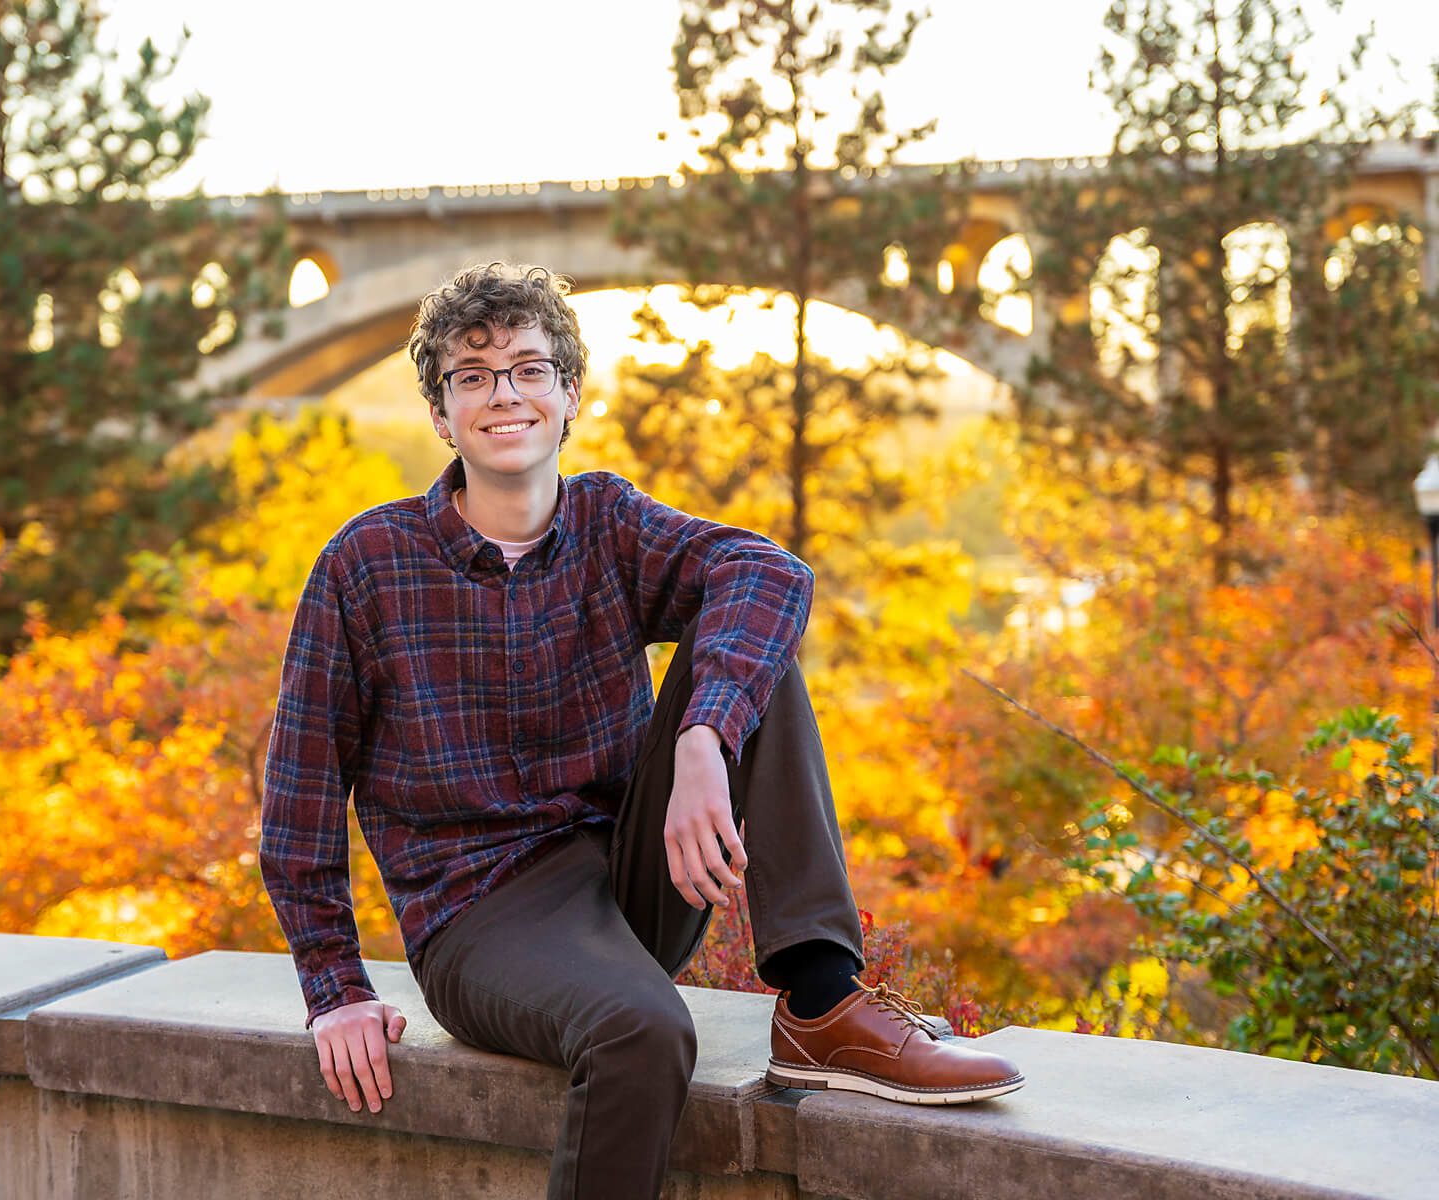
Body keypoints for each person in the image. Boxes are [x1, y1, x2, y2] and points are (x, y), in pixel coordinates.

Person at [260, 262, 1023, 1199]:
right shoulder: (367, 567)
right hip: (482, 916)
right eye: (473, 376)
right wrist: (335, 989)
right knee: (645, 1030)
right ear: (440, 413)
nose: (505, 395)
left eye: (530, 370)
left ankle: (821, 1004)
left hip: (631, 875)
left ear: (569, 394)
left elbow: (772, 573)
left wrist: (704, 734)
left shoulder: (609, 523)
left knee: (745, 636)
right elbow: (298, 802)